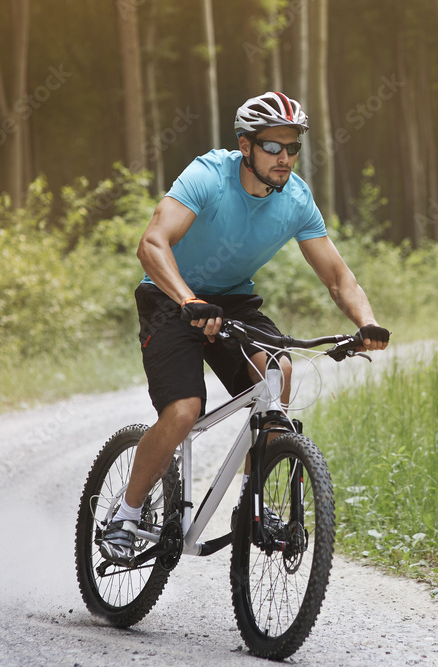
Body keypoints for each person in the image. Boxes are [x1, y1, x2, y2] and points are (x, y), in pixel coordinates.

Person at [98, 91, 390, 566]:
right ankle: (126, 516)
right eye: (273, 147)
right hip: (170, 297)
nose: (284, 158)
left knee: (278, 372)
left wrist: (367, 322)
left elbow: (338, 277)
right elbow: (152, 244)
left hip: (232, 300)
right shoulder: (208, 176)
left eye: (292, 147)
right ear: (246, 146)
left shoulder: (295, 199)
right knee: (184, 410)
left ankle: (252, 508)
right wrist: (188, 299)